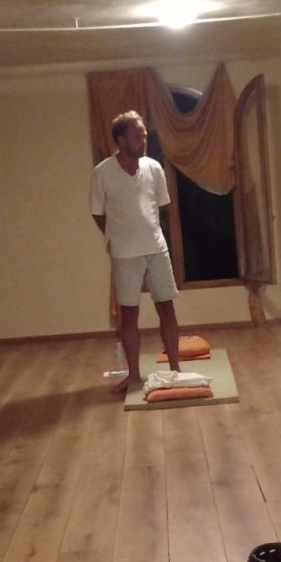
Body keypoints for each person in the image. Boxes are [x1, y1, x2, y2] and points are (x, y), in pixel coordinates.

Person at [90, 110, 181, 394]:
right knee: (129, 315)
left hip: (156, 248)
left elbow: (161, 207)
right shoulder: (102, 172)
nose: (143, 140)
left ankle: (175, 370)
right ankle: (133, 375)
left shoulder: (153, 168)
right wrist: (117, 237)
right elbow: (98, 214)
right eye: (137, 136)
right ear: (120, 140)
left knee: (166, 308)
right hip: (125, 254)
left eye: (144, 135)